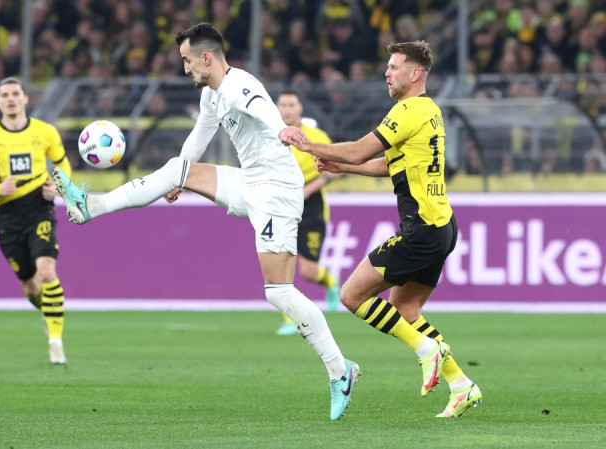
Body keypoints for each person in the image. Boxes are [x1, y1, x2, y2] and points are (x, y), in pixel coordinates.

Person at [53, 23, 359, 421]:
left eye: (187, 61)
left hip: (277, 192)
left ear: (207, 57)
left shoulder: (239, 86)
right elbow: (200, 136)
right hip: (250, 181)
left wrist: (282, 129)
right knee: (174, 168)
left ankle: (340, 370)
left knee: (279, 291)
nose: (185, 69)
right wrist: (180, 178)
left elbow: (261, 108)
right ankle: (90, 206)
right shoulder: (212, 94)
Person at [297, 41, 482, 418]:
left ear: (415, 73)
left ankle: (426, 350)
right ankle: (461, 384)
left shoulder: (407, 110)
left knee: (352, 295)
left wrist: (308, 144)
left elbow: (358, 150)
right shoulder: (430, 110)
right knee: (406, 308)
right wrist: (345, 168)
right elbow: (388, 164)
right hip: (442, 226)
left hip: (421, 230)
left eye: (394, 67)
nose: (387, 72)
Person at [0, 77, 71, 365]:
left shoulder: (45, 132)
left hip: (39, 208)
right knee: (30, 286)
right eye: (4, 95)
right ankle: (47, 311)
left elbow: (62, 164)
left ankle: (55, 343)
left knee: (47, 271)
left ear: (25, 98)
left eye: (15, 94)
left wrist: (57, 186)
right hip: (7, 216)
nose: (10, 99)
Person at [274, 90, 341, 336]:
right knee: (279, 264)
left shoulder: (316, 136)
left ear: (300, 108)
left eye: (291, 104)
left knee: (308, 271)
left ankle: (330, 281)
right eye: (283, 104)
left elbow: (336, 169)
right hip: (281, 206)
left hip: (311, 207)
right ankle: (289, 319)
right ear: (276, 108)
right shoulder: (269, 136)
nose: (287, 109)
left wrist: (308, 189)